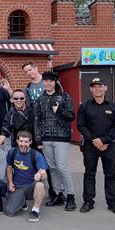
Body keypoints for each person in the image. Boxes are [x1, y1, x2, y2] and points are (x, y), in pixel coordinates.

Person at [77, 77, 115, 215]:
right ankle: (88, 202)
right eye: (94, 87)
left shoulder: (114, 106)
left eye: (100, 86)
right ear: (90, 89)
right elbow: (81, 125)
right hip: (90, 146)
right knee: (89, 173)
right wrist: (94, 140)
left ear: (105, 88)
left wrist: (104, 140)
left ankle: (112, 203)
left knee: (110, 175)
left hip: (109, 146)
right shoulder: (84, 106)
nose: (97, 89)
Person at [33, 71, 76, 211]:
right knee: (52, 168)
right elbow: (37, 121)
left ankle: (70, 196)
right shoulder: (40, 99)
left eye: (51, 81)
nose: (48, 83)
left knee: (62, 166)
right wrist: (38, 139)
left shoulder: (64, 97)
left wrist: (60, 110)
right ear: (43, 82)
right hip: (46, 138)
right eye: (46, 81)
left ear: (55, 82)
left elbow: (71, 116)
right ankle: (58, 195)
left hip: (61, 137)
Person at [4, 131, 48, 222]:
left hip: (31, 186)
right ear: (17, 141)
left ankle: (35, 210)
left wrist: (40, 175)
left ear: (30, 142)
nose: (23, 144)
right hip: (18, 186)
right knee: (10, 212)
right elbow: (9, 167)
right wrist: (10, 182)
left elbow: (44, 175)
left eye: (26, 142)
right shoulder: (12, 152)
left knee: (40, 185)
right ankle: (22, 201)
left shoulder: (36, 155)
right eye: (21, 141)